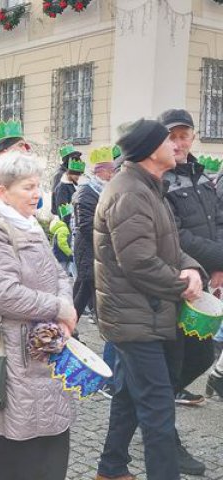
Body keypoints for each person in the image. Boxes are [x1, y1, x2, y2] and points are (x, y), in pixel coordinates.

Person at [93, 119, 203, 480]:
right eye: (168, 140)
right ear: (149, 151)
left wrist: (190, 268)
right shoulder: (130, 193)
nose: (177, 146)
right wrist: (181, 284)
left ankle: (110, 469)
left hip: (145, 312)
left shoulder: (148, 187)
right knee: (158, 412)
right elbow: (139, 262)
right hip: (135, 318)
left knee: (127, 397)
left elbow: (170, 246)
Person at [0, 151, 76, 480]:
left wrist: (65, 311)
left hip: (44, 352)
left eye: (38, 186)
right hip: (9, 360)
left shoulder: (29, 224)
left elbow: (59, 274)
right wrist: (58, 308)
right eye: (28, 187)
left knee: (50, 450)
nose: (37, 194)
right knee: (15, 455)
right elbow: (6, 295)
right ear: (2, 192)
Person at [159, 109, 218, 410]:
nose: (179, 144)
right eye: (172, 137)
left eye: (184, 136)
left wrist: (219, 265)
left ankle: (160, 397)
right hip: (177, 283)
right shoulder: (161, 180)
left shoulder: (203, 175)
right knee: (174, 358)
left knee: (202, 354)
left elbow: (218, 221)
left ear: (193, 138)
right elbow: (177, 237)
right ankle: (157, 409)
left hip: (203, 281)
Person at [71, 146, 117, 395]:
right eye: (111, 170)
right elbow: (87, 225)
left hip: (100, 254)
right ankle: (69, 327)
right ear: (101, 172)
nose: (113, 174)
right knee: (85, 291)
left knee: (82, 293)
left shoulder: (102, 190)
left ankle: (68, 325)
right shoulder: (86, 193)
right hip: (89, 253)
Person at [53, 146, 85, 226]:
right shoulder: (60, 176)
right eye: (73, 157)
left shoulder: (74, 176)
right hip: (65, 222)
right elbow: (61, 204)